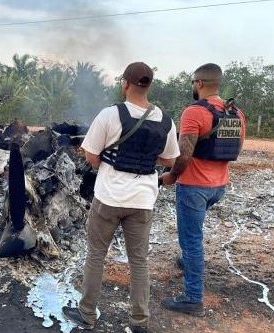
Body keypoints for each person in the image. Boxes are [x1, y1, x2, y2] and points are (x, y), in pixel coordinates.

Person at [62, 62, 180, 333]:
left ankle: (87, 314)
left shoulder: (109, 114)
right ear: (149, 85)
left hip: (108, 198)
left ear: (125, 83)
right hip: (142, 201)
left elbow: (91, 156)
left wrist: (104, 161)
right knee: (139, 261)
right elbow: (170, 159)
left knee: (96, 255)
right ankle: (140, 322)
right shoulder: (165, 120)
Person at [160, 63, 246, 316]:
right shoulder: (236, 113)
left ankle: (193, 298)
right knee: (193, 237)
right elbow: (236, 149)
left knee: (192, 241)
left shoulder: (194, 112)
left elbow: (184, 153)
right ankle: (187, 262)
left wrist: (172, 175)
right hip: (219, 186)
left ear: (198, 83)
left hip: (194, 187)